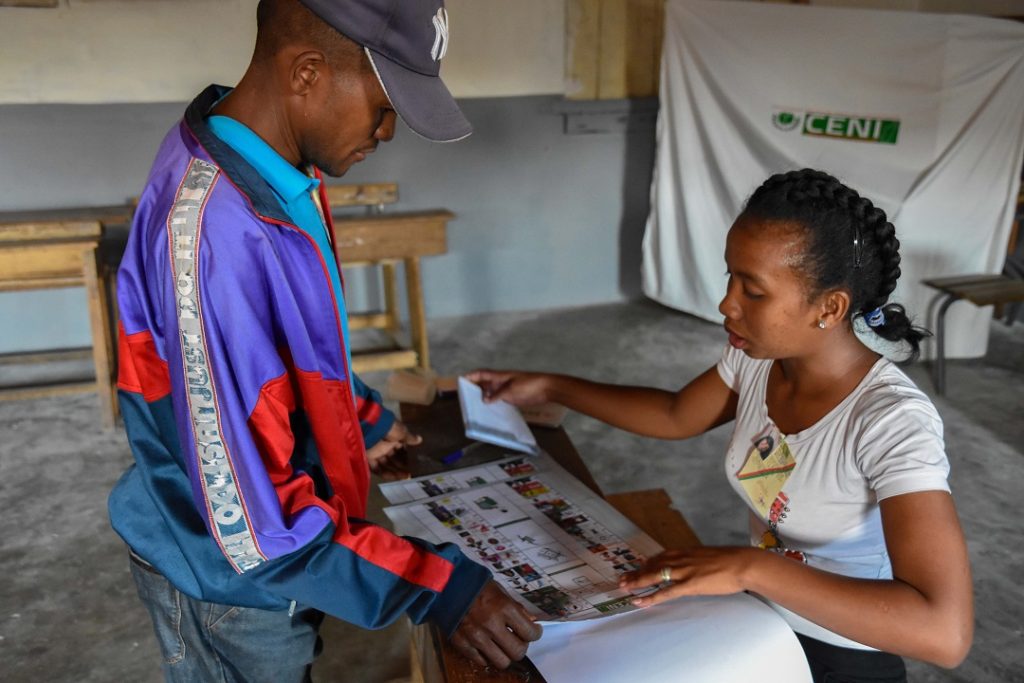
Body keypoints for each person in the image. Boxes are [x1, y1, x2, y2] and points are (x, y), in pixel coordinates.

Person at [109, 1, 540, 680]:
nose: (389, 129)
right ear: (308, 73)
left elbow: (288, 356)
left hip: (268, 551)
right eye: (384, 102)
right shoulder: (217, 240)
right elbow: (257, 531)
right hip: (232, 585)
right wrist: (436, 587)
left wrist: (361, 416)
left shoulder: (271, 170)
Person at [470, 169, 974, 682]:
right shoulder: (761, 360)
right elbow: (675, 415)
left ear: (830, 307)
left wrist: (751, 567)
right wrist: (553, 387)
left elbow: (943, 632)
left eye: (753, 291)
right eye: (730, 277)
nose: (726, 304)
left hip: (841, 652)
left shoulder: (891, 422)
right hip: (758, 615)